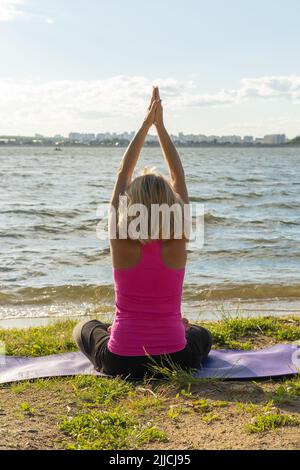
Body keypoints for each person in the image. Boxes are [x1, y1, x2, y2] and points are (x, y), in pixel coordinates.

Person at [73, 86, 212, 379]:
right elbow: (178, 177)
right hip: (176, 358)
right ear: (169, 203)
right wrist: (161, 128)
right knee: (202, 335)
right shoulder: (180, 237)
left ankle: (116, 329)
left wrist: (145, 125)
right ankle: (181, 329)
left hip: (120, 360)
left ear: (131, 204)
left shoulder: (119, 238)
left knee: (84, 328)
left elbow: (122, 175)